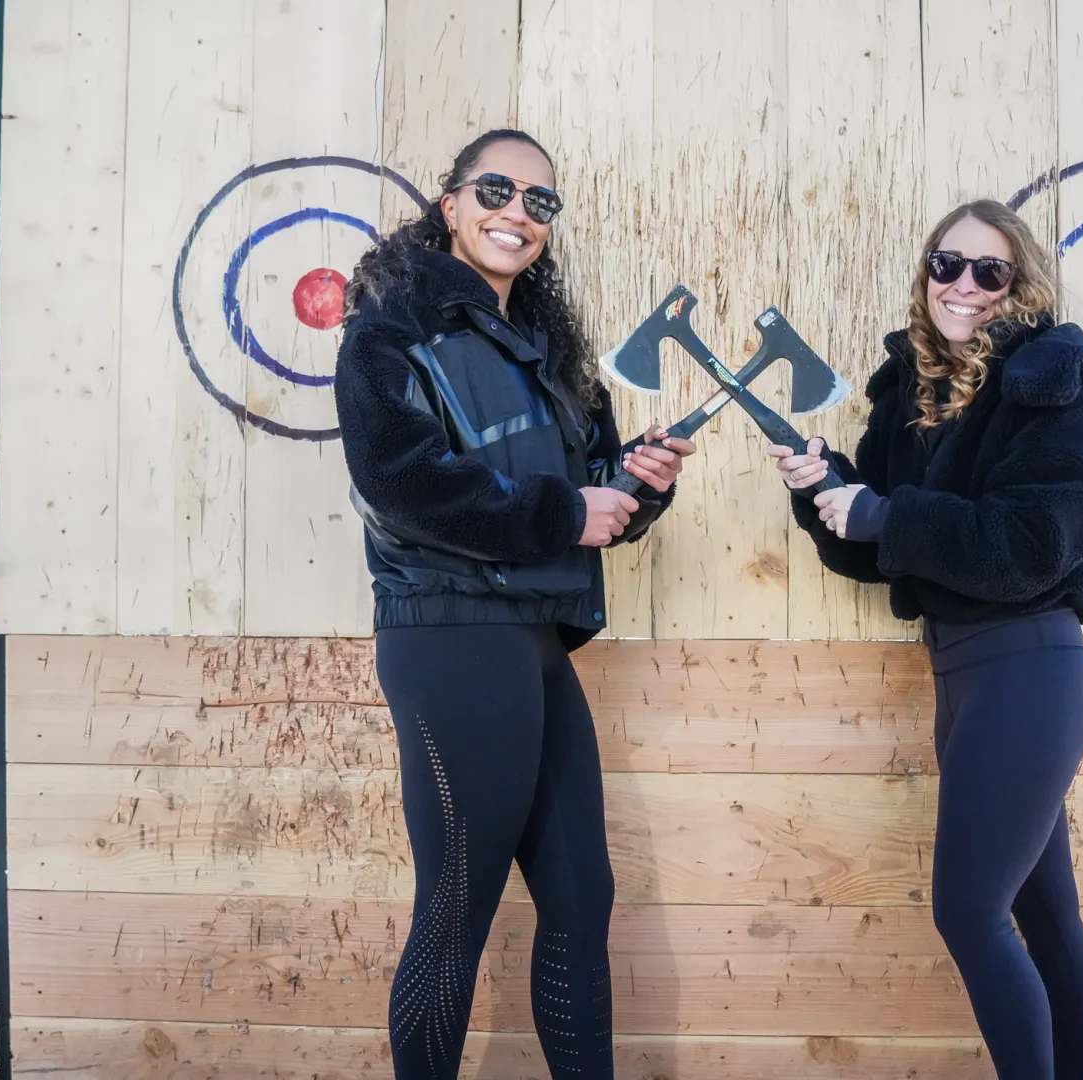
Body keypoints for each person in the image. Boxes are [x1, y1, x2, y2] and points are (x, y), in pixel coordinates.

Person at [334, 128, 695, 1080]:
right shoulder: (391, 326)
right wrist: (564, 510)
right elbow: (400, 482)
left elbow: (587, 507)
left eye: (541, 203)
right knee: (457, 905)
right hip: (451, 632)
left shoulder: (549, 353)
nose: (518, 213)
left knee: (582, 898)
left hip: (532, 640)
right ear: (449, 204)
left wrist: (636, 485)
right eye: (497, 190)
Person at [769, 200, 1083, 1080]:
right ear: (925, 273)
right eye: (947, 264)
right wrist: (829, 489)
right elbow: (886, 551)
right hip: (967, 679)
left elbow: (1026, 546)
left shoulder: (1062, 395)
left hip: (1029, 673)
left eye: (989, 270)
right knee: (1045, 920)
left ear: (1024, 285)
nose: (963, 285)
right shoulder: (917, 394)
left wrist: (886, 513)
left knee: (969, 914)